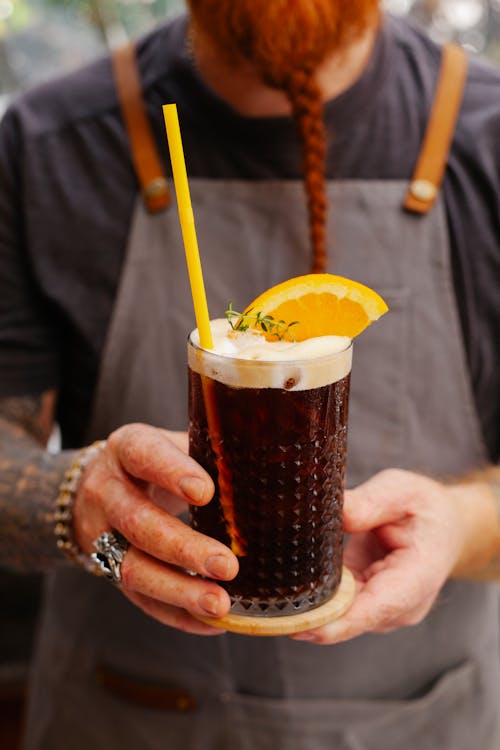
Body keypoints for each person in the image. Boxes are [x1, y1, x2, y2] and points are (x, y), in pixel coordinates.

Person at [0, 0, 499, 747]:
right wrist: (82, 509)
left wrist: (460, 526)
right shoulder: (48, 143)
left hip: (420, 721)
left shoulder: (487, 138)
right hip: (119, 719)